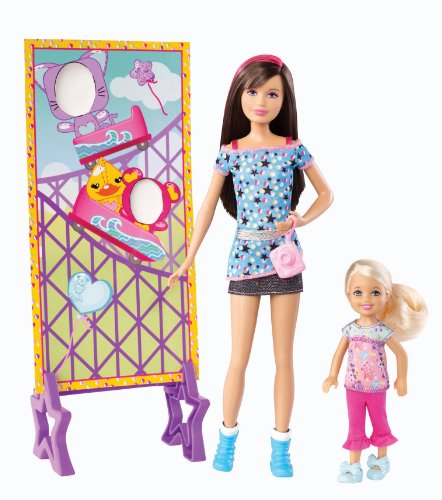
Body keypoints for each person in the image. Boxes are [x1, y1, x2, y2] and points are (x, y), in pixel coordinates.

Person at [168, 54, 333, 476]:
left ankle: (281, 446)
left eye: (272, 94)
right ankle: (226, 439)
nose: (261, 101)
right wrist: (189, 256)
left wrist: (302, 219)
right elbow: (207, 206)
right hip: (244, 258)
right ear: (238, 96)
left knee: (284, 358)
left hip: (285, 260)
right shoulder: (231, 152)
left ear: (285, 99)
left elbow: (326, 194)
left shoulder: (293, 148)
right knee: (238, 357)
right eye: (253, 91)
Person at [322, 259, 427, 482]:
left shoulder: (382, 331)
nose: (366, 299)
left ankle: (381, 461)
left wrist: (402, 378)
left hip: (377, 387)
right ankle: (354, 467)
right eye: (358, 292)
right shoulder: (350, 329)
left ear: (387, 295)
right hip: (352, 387)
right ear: (348, 295)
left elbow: (401, 354)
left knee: (380, 422)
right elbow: (338, 353)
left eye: (375, 292)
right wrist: (332, 375)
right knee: (355, 426)